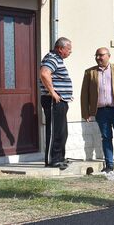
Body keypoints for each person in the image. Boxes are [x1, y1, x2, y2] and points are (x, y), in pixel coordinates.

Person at [39, 37, 73, 170]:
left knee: (62, 131)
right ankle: (52, 160)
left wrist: (66, 94)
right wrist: (53, 93)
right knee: (54, 130)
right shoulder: (51, 58)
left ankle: (59, 158)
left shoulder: (57, 59)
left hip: (61, 100)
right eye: (68, 49)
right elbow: (44, 74)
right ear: (60, 48)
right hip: (53, 100)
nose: (70, 51)